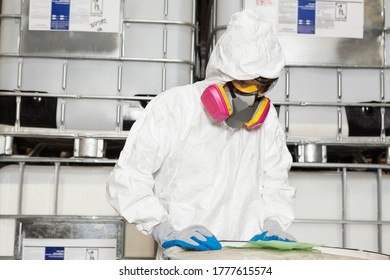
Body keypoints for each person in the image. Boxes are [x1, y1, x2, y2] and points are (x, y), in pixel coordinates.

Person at [106, 9, 296, 257]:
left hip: (248, 258)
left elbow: (275, 181)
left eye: (263, 86)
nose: (253, 98)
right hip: (186, 257)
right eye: (247, 85)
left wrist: (274, 221)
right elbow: (129, 177)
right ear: (222, 74)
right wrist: (164, 230)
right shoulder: (174, 107)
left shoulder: (267, 119)